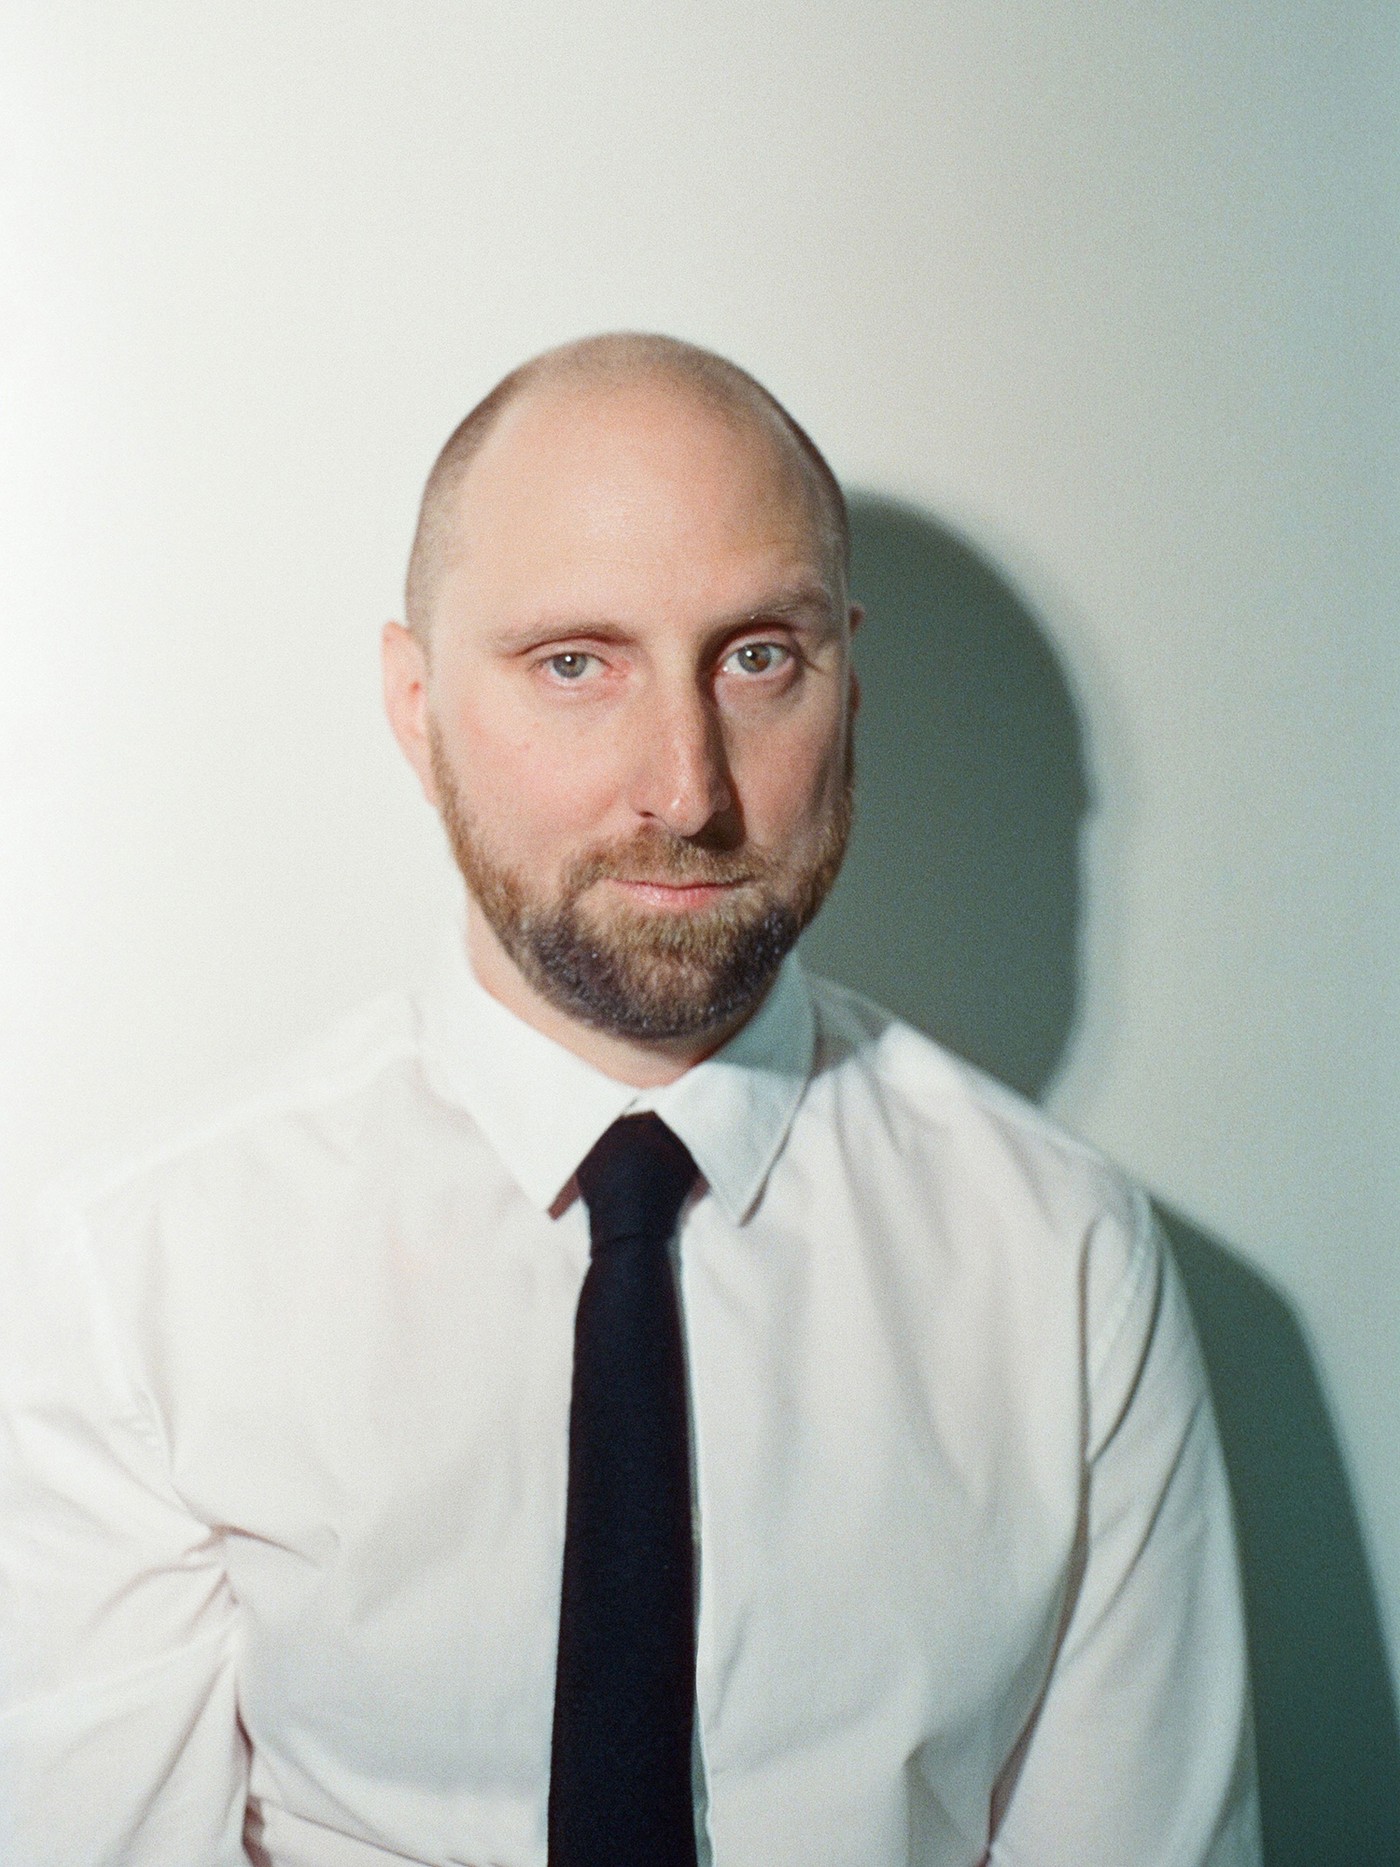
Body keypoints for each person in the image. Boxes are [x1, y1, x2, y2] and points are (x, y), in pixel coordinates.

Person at [0, 334, 1260, 1866]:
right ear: (414, 703)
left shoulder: (1065, 1265)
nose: (685, 785)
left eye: (756, 658)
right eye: (574, 664)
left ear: (848, 683)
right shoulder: (143, 1279)